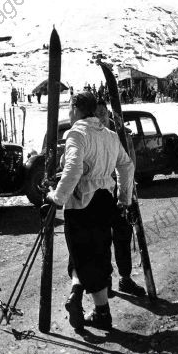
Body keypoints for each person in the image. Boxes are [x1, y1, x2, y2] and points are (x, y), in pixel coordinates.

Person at [47, 91, 134, 331]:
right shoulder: (110, 135)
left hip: (82, 203)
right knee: (99, 253)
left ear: (76, 109)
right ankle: (101, 311)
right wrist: (124, 198)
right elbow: (126, 166)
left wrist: (57, 197)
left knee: (82, 254)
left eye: (70, 108)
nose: (68, 112)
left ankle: (88, 302)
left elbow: (73, 169)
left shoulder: (77, 132)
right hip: (105, 200)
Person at [95, 100, 145, 298]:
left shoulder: (120, 136)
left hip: (120, 190)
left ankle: (125, 278)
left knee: (122, 235)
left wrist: (128, 191)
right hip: (99, 193)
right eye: (96, 114)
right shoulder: (90, 135)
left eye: (103, 113)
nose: (100, 118)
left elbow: (129, 162)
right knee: (101, 238)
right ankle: (105, 281)